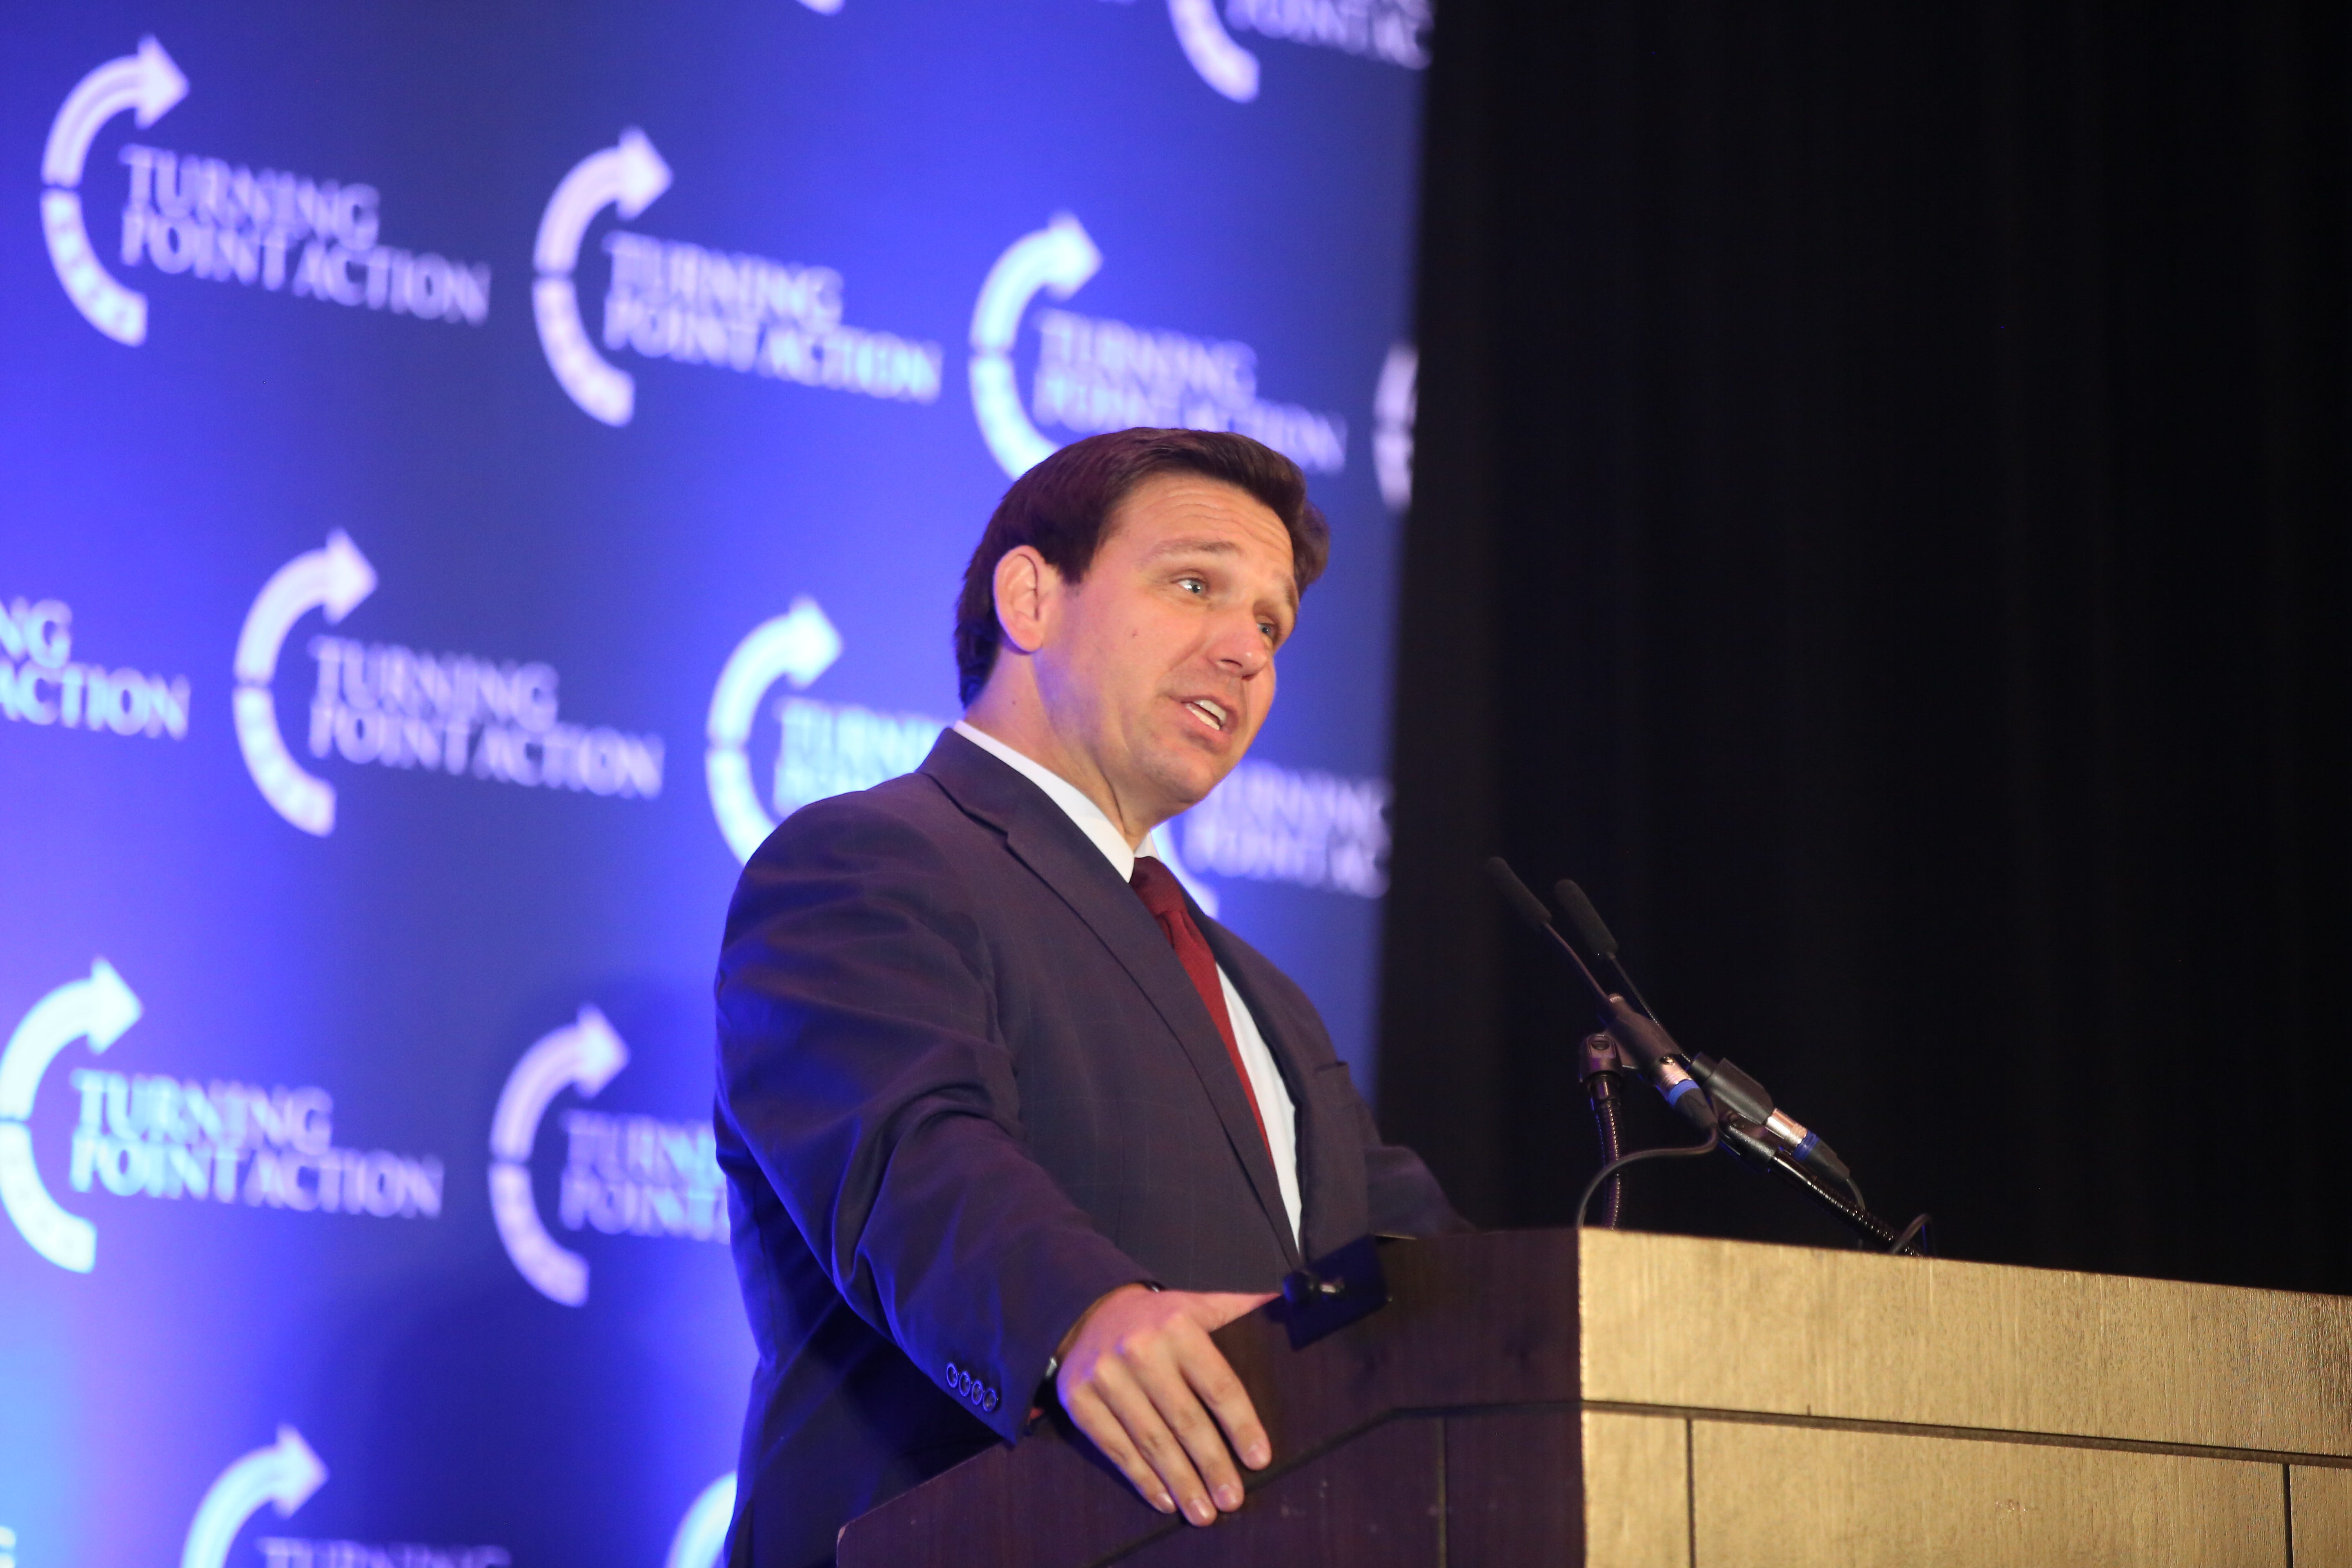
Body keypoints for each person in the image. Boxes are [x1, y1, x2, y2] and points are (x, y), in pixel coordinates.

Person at [713, 427, 1464, 1567]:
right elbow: (913, 1157)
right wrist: (1082, 1316)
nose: (1247, 651)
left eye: (1272, 624)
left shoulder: (1262, 996)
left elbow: (1411, 1264)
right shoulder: (863, 861)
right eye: (1196, 585)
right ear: (1031, 597)